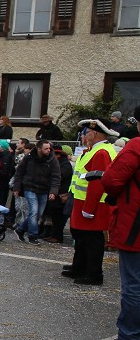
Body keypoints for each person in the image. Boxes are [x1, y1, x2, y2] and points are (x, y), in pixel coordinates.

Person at [95, 122, 140, 340]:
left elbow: (111, 180)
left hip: (136, 226)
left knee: (133, 284)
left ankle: (130, 339)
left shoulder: (136, 146)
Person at [63, 118, 118, 284]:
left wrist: (89, 208)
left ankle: (94, 274)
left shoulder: (101, 152)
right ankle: (79, 267)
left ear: (94, 133)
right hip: (83, 201)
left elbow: (97, 183)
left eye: (85, 132)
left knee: (92, 240)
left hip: (93, 204)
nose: (83, 136)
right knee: (81, 238)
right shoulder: (93, 150)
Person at [12, 139, 60, 244]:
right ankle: (33, 235)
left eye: (49, 148)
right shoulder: (29, 158)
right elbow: (19, 172)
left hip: (44, 189)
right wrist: (16, 187)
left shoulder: (52, 160)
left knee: (38, 214)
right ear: (39, 149)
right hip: (30, 187)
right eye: (45, 148)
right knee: (33, 211)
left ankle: (20, 230)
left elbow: (56, 176)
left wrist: (53, 191)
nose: (48, 150)